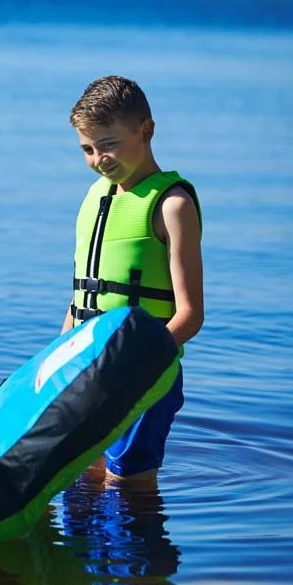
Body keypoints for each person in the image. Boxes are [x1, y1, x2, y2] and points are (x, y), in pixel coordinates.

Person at [62, 75, 204, 485]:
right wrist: (58, 360)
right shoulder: (96, 197)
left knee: (128, 490)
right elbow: (80, 297)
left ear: (147, 131)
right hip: (88, 367)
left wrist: (135, 362)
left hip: (143, 374)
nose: (98, 159)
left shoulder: (172, 205)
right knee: (80, 479)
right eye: (87, 149)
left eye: (108, 144)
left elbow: (190, 314)